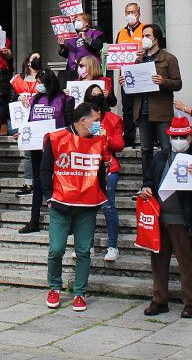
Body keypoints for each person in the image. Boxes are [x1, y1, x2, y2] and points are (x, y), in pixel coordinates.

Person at [42, 102, 111, 313]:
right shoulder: (56, 139)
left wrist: (102, 192)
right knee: (56, 249)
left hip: (87, 205)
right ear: (83, 121)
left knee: (83, 251)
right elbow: (44, 170)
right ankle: (54, 287)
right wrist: (49, 197)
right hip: (61, 203)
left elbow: (99, 172)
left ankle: (80, 292)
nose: (99, 125)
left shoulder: (98, 142)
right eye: (96, 121)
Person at [140, 118, 192, 318]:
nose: (178, 140)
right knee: (158, 262)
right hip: (160, 217)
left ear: (189, 136)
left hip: (184, 219)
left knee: (186, 262)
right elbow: (148, 181)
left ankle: (190, 301)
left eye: (182, 136)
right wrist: (146, 190)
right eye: (175, 137)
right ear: (169, 137)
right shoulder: (160, 157)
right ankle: (159, 299)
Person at [20, 69, 76, 234]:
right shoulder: (35, 100)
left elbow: (69, 124)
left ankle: (68, 221)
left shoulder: (65, 100)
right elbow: (30, 122)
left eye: (39, 82)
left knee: (62, 182)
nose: (37, 86)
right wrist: (23, 133)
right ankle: (34, 219)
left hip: (59, 146)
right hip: (38, 146)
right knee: (38, 183)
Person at [86, 84, 125, 262]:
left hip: (109, 167)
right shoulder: (83, 119)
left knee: (108, 206)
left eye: (98, 95)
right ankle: (88, 245)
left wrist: (106, 137)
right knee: (88, 208)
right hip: (89, 167)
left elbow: (120, 145)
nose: (95, 98)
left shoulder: (113, 119)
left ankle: (112, 246)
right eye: (92, 95)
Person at [134, 24, 181, 164]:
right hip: (142, 111)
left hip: (161, 112)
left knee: (166, 148)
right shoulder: (139, 59)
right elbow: (133, 84)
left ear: (156, 38)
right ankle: (148, 183)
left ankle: (166, 181)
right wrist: (124, 81)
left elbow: (178, 84)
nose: (144, 39)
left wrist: (163, 81)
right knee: (146, 150)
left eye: (147, 36)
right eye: (143, 36)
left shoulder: (169, 58)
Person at [113, 2, 148, 148]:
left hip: (142, 74)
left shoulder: (146, 29)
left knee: (143, 107)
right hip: (126, 76)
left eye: (133, 12)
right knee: (127, 108)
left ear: (139, 13)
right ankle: (129, 138)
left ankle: (148, 138)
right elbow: (116, 54)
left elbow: (153, 48)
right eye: (128, 12)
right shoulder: (121, 33)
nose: (130, 15)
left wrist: (144, 52)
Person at [10, 52, 42, 196]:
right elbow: (10, 98)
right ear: (28, 62)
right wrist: (18, 96)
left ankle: (42, 182)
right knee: (28, 153)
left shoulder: (44, 77)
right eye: (35, 58)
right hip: (23, 119)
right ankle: (29, 183)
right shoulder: (17, 79)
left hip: (41, 119)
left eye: (39, 58)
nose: (37, 60)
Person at [58, 12, 104, 82]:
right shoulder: (72, 36)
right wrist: (62, 46)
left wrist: (86, 39)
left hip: (89, 69)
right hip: (73, 70)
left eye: (79, 20)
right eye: (75, 20)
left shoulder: (93, 33)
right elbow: (68, 54)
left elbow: (99, 46)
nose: (76, 22)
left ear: (86, 23)